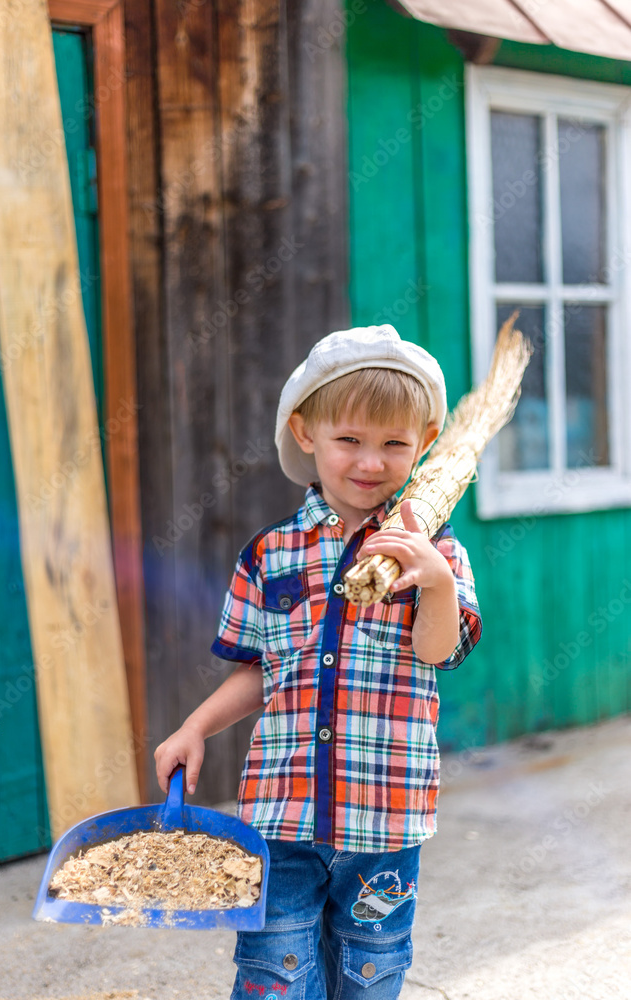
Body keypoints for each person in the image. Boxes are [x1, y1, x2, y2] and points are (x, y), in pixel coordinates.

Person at [155, 324, 482, 999]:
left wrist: (436, 583)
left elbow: (437, 652)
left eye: (394, 444)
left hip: (381, 816)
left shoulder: (433, 551)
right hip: (281, 812)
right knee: (274, 969)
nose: (369, 462)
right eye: (349, 441)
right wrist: (194, 728)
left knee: (369, 967)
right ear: (307, 435)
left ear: (423, 444)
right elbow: (257, 669)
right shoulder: (270, 553)